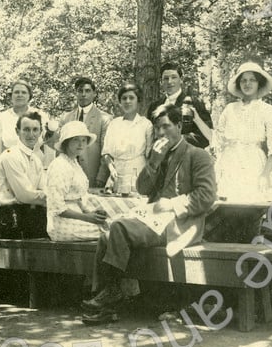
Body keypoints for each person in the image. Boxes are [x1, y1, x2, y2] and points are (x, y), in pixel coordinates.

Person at [83, 105, 217, 313]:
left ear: (179, 126)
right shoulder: (157, 154)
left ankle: (113, 293)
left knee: (119, 227)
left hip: (179, 223)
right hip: (154, 217)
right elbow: (142, 188)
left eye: (166, 127)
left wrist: (172, 204)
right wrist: (153, 162)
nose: (161, 133)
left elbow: (206, 196)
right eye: (157, 128)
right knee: (107, 235)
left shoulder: (197, 155)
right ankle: (104, 295)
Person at [212, 61, 272, 201]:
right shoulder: (229, 109)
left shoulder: (267, 110)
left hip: (254, 166)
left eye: (252, 80)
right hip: (230, 164)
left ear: (259, 83)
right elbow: (216, 140)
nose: (247, 84)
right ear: (239, 84)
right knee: (228, 206)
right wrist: (196, 118)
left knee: (251, 204)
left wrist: (264, 174)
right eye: (243, 80)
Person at [44, 121, 109, 241]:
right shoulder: (59, 165)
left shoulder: (73, 163)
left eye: (84, 140)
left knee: (115, 224)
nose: (80, 144)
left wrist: (92, 212)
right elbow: (57, 207)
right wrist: (88, 217)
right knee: (113, 232)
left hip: (77, 217)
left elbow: (78, 197)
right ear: (66, 142)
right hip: (62, 224)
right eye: (75, 140)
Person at [0, 111, 48, 238]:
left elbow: (43, 187)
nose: (31, 134)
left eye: (35, 130)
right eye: (26, 130)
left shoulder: (36, 159)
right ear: (17, 132)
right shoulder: (10, 156)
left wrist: (48, 195)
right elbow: (25, 195)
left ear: (40, 132)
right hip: (11, 217)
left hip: (30, 214)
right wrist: (51, 197)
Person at [58, 76, 112, 188]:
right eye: (80, 91)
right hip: (68, 176)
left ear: (94, 93)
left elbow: (106, 150)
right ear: (75, 93)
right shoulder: (66, 118)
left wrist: (101, 178)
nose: (83, 94)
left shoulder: (104, 119)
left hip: (92, 176)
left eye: (87, 91)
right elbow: (60, 149)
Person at [101, 82, 154, 196]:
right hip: (116, 174)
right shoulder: (114, 124)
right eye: (124, 98)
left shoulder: (146, 124)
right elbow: (106, 152)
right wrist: (111, 169)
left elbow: (149, 155)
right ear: (120, 102)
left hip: (137, 173)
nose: (127, 101)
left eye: (131, 98)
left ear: (138, 101)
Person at [146, 62, 213, 149]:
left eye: (174, 77)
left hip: (186, 157)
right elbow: (149, 134)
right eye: (166, 78)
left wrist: (178, 141)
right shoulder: (154, 106)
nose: (170, 82)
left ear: (181, 80)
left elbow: (205, 137)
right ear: (161, 81)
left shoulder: (194, 103)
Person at [0, 80, 48, 170]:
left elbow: (49, 144)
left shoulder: (41, 115)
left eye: (24, 92)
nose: (20, 95)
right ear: (11, 96)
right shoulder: (1, 118)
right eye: (16, 92)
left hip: (36, 166)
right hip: (10, 166)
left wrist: (47, 168)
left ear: (29, 96)